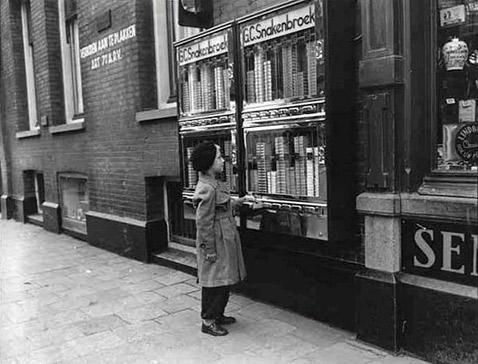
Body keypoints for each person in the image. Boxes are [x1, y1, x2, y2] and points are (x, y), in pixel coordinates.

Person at [190, 141, 249, 336]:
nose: (223, 160)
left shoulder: (214, 183)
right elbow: (204, 222)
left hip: (225, 237)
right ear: (208, 163)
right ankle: (208, 321)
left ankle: (218, 314)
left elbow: (222, 205)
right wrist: (209, 250)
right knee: (213, 281)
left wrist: (237, 202)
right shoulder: (207, 188)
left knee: (224, 279)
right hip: (216, 241)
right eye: (219, 157)